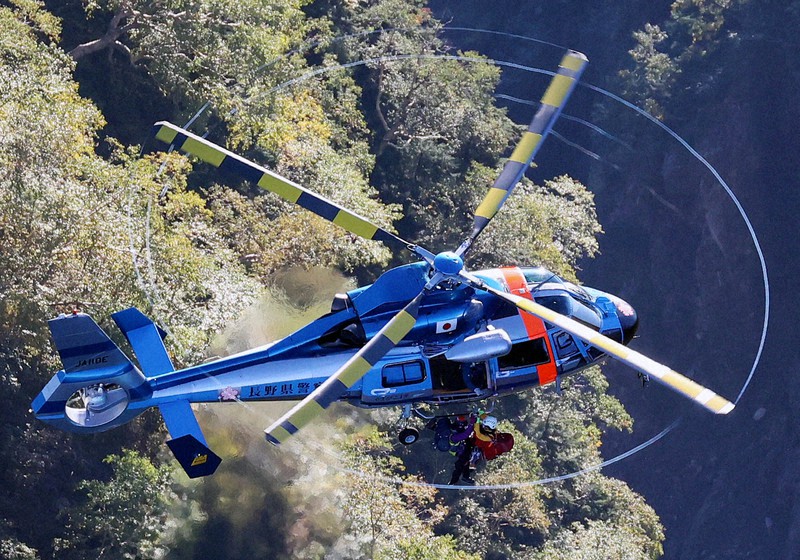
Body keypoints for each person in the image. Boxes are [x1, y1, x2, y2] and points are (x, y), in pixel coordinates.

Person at [449, 414, 513, 485]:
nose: (482, 425)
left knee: (463, 462)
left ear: (488, 426)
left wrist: (476, 421)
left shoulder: (490, 437)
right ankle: (463, 477)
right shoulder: (489, 429)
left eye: (484, 425)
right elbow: (484, 417)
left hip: (477, 450)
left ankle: (454, 481)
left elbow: (479, 435)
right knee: (464, 462)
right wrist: (479, 412)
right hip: (472, 444)